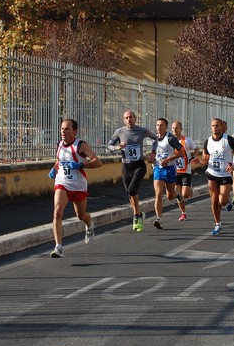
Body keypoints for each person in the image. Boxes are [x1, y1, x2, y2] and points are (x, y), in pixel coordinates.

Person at [48, 119, 102, 257]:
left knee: (81, 215)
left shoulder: (81, 145)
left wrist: (81, 165)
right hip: (62, 182)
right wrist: (54, 169)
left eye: (67, 129)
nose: (63, 132)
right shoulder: (59, 144)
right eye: (62, 129)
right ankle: (58, 247)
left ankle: (89, 224)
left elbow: (97, 162)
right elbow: (59, 160)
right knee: (57, 212)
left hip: (78, 185)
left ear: (75, 131)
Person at [191, 118, 234, 235]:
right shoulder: (207, 141)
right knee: (214, 200)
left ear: (222, 127)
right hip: (212, 173)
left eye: (217, 125)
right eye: (213, 126)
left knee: (222, 201)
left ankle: (227, 200)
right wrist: (199, 161)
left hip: (225, 174)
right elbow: (206, 160)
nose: (215, 127)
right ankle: (217, 224)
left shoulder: (228, 140)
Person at [108, 110, 157, 231]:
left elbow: (156, 139)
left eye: (131, 117)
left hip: (139, 165)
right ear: (123, 120)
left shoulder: (142, 130)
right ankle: (139, 214)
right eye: (126, 118)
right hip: (126, 167)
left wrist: (153, 152)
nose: (129, 119)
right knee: (131, 193)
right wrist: (117, 147)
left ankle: (136, 216)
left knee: (132, 189)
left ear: (135, 118)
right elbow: (109, 146)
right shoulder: (119, 132)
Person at [149, 118, 184, 229]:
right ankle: (158, 219)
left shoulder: (170, 138)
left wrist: (168, 159)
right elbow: (154, 152)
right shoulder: (154, 139)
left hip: (169, 169)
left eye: (162, 125)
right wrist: (151, 157)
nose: (159, 127)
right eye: (157, 125)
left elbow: (181, 152)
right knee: (158, 193)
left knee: (170, 196)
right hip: (158, 169)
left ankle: (177, 194)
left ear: (166, 127)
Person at [171, 120, 199, 221]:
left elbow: (196, 148)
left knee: (185, 194)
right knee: (178, 193)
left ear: (181, 129)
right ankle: (183, 212)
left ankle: (189, 189)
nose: (174, 130)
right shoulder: (170, 141)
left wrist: (193, 156)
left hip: (185, 171)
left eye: (176, 128)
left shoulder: (186, 141)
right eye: (173, 128)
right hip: (174, 171)